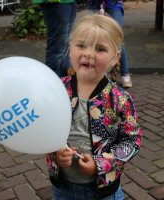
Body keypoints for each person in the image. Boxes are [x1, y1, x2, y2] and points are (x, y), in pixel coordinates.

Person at [46, 13, 142, 199]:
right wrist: (55, 154)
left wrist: (100, 164)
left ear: (115, 58)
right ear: (70, 47)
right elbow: (44, 128)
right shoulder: (56, 89)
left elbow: (132, 141)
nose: (88, 53)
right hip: (62, 187)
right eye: (81, 45)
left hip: (102, 191)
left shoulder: (120, 99)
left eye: (99, 49)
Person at [89, 0, 133, 88]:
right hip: (94, 4)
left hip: (113, 4)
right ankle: (98, 73)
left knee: (117, 38)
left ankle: (125, 73)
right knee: (95, 37)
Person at [32, 0, 76, 77]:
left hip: (67, 2)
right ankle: (52, 83)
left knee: (65, 47)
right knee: (57, 49)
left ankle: (64, 82)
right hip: (56, 2)